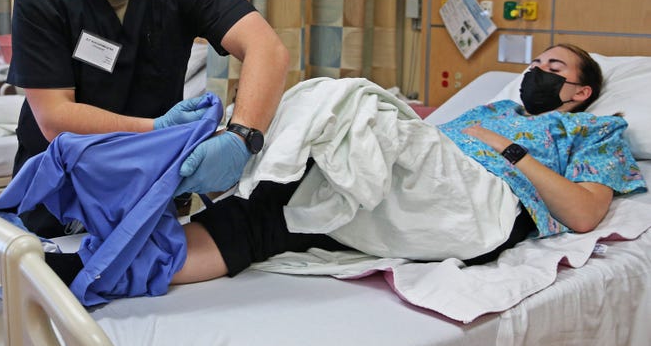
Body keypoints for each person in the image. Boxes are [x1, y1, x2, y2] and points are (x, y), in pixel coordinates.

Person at [167, 44, 644, 284]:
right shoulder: (493, 110)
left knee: (341, 96)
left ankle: (222, 158)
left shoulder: (594, 132)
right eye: (536, 61)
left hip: (481, 202)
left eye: (554, 68)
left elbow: (584, 214)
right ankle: (100, 268)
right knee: (271, 213)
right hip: (417, 184)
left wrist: (507, 149)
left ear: (581, 93)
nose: (537, 70)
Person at [6, 0, 290, 236]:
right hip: (61, 194)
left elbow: (267, 49)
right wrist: (155, 129)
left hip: (153, 193)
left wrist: (242, 136)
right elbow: (56, 119)